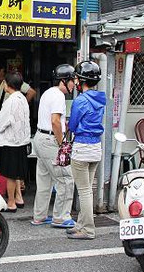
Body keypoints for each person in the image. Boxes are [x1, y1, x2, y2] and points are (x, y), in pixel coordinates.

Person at [31, 64, 76, 228]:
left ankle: (39, 216)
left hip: (40, 138)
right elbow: (55, 121)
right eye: (72, 80)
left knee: (44, 180)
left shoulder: (48, 93)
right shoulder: (58, 95)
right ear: (64, 80)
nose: (74, 84)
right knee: (65, 178)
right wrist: (62, 143)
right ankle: (61, 217)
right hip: (51, 140)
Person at [66, 60, 106, 240]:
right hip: (96, 147)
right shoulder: (100, 99)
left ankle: (88, 229)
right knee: (88, 189)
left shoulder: (80, 100)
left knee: (84, 190)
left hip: (82, 147)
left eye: (76, 78)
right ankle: (80, 225)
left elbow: (73, 126)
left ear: (81, 80)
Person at [0, 60, 36, 165]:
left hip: (10, 124)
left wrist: (20, 105)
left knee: (11, 164)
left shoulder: (12, 81)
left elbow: (32, 92)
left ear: (2, 71)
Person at [0, 71, 31, 212]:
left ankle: (11, 202)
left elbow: (0, 124)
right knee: (16, 173)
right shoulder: (22, 98)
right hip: (21, 141)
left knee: (10, 175)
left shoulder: (10, 101)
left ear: (6, 84)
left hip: (10, 142)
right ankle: (18, 198)